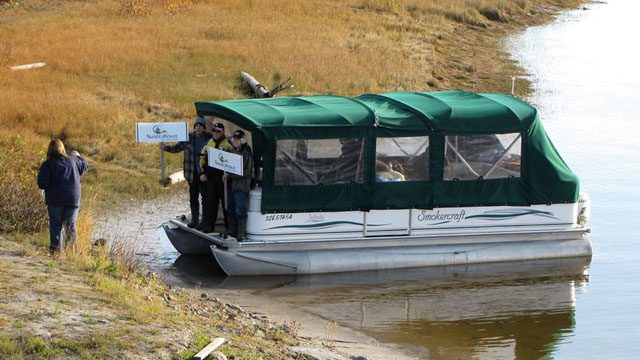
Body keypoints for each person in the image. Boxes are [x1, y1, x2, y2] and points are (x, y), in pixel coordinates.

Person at [37, 139, 89, 255]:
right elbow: (84, 167)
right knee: (71, 226)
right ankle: (72, 254)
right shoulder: (73, 160)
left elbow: (42, 184)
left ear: (49, 150)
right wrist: (77, 155)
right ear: (63, 148)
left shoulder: (48, 164)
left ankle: (55, 253)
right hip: (72, 199)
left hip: (55, 200)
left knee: (55, 225)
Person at [161, 116, 212, 228]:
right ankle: (194, 220)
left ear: (204, 128)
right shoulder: (188, 137)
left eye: (201, 126)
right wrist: (165, 148)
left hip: (204, 173)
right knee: (193, 197)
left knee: (205, 198)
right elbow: (177, 148)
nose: (198, 128)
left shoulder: (209, 139)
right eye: (196, 126)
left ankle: (204, 221)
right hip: (191, 173)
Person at [199, 122, 233, 233]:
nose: (216, 133)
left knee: (226, 204)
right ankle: (209, 226)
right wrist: (203, 173)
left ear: (223, 132)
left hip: (223, 179)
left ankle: (229, 227)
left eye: (218, 131)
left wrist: (228, 174)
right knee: (211, 203)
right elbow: (202, 160)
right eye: (214, 131)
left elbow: (233, 163)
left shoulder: (228, 146)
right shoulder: (209, 144)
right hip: (211, 178)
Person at [223, 129, 254, 241]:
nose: (235, 141)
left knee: (240, 209)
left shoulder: (247, 153)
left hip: (241, 186)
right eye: (234, 139)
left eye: (238, 139)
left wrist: (229, 175)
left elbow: (245, 172)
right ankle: (232, 231)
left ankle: (241, 234)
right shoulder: (232, 151)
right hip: (231, 185)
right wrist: (226, 173)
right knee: (230, 208)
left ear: (242, 140)